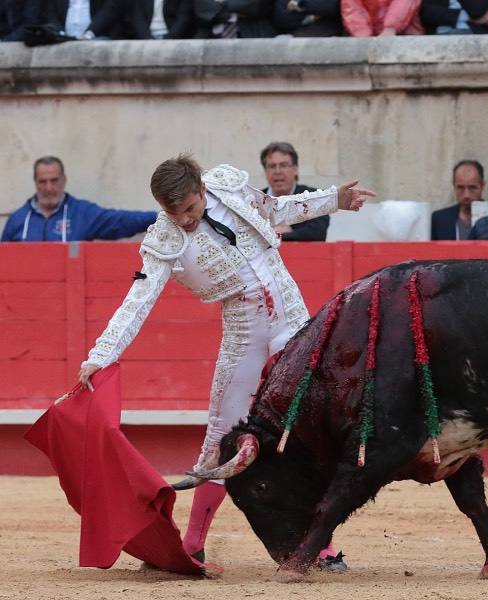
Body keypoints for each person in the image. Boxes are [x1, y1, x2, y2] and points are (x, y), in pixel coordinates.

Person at [76, 153, 375, 570]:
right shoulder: (166, 237)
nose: (184, 220)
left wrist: (334, 200)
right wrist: (100, 355)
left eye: (190, 209)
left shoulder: (228, 186)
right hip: (244, 328)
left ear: (201, 190)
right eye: (174, 213)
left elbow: (274, 209)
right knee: (222, 434)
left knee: (311, 427)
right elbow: (137, 301)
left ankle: (319, 543)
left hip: (290, 314)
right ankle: (193, 542)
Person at [2, 156, 158, 242]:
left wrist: (160, 217)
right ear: (35, 182)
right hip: (24, 298)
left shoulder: (81, 213)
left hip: (71, 296)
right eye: (43, 181)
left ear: (64, 180)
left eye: (54, 180)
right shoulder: (17, 220)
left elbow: (120, 221)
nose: (49, 188)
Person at [260, 142, 330, 241]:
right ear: (266, 171)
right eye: (272, 166)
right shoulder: (255, 200)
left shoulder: (314, 197)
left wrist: (280, 235)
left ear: (295, 169)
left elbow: (318, 233)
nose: (278, 171)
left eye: (284, 165)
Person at [431, 160, 486, 240]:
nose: (466, 195)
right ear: (454, 185)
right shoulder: (439, 220)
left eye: (472, 188)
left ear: (482, 186)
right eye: (460, 188)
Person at [30, 0, 128, 39]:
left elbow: (109, 10)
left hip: (96, 37)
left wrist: (88, 35)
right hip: (63, 38)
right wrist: (61, 35)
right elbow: (51, 14)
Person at [341, 0, 425, 36]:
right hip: (365, 38)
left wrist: (390, 28)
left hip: (403, 34)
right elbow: (352, 9)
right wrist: (363, 35)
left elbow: (404, 4)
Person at [418, 0, 488, 33]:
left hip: (475, 31)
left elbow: (478, 10)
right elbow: (425, 12)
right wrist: (467, 18)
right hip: (440, 34)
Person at [127, 0, 195, 39]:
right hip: (147, 37)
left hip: (172, 37)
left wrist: (168, 39)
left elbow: (184, 18)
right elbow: (138, 17)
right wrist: (148, 38)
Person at [271, 0, 342, 37]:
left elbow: (331, 6)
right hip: (294, 36)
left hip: (326, 32)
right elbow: (282, 18)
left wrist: (297, 3)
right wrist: (312, 16)